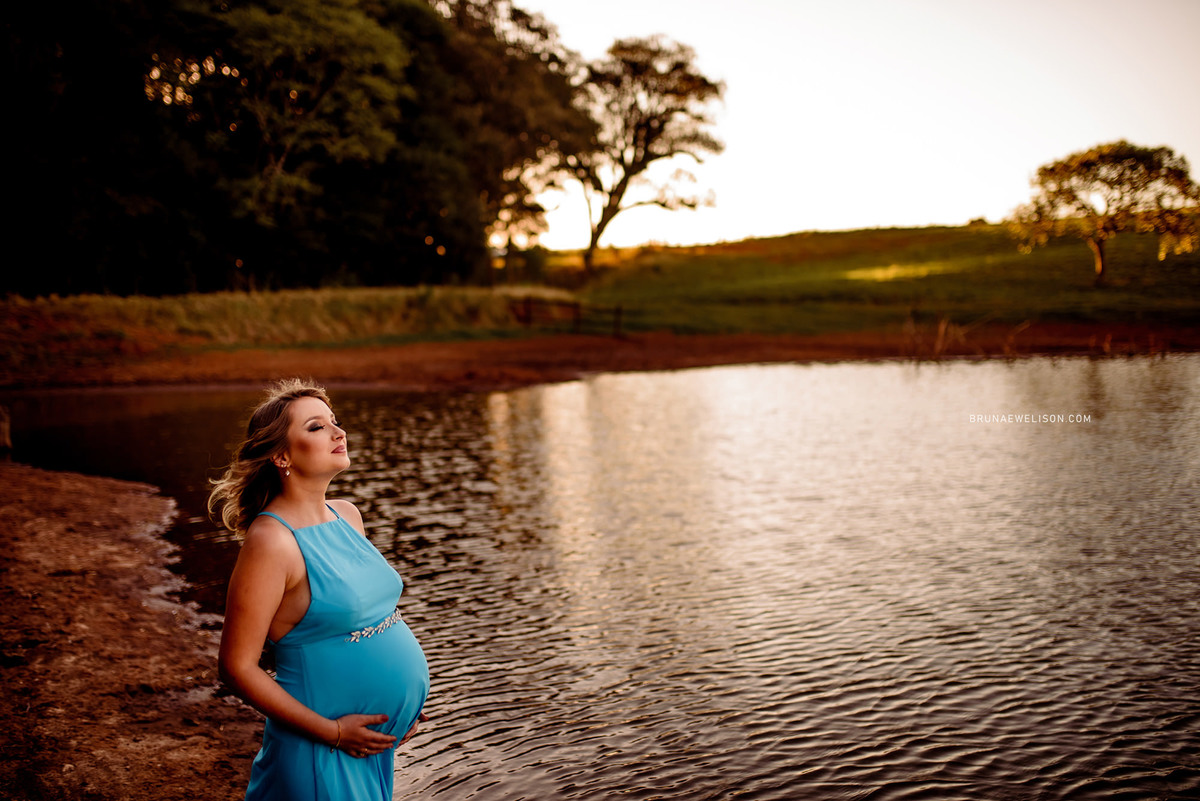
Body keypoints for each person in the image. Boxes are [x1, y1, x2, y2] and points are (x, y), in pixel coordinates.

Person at [209, 378, 429, 800]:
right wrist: (333, 732)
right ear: (281, 455)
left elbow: (371, 621)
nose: (338, 432)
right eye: (316, 427)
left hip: (372, 746)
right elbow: (237, 666)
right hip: (321, 748)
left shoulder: (347, 515)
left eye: (334, 422)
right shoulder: (272, 541)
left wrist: (405, 710)